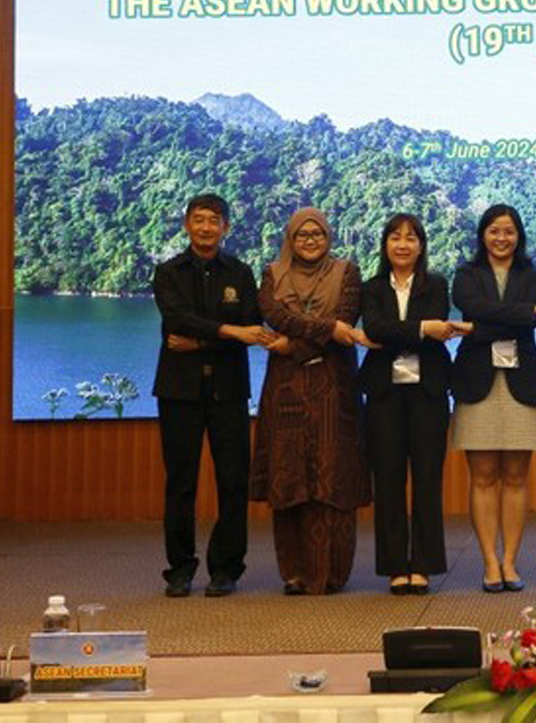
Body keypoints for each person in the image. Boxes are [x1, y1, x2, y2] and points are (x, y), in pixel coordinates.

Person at [151, 193, 273, 598]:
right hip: (178, 391)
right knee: (180, 483)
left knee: (233, 481)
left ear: (226, 227)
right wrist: (230, 333)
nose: (206, 227)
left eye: (214, 220)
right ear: (187, 223)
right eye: (198, 219)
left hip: (229, 391)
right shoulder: (168, 272)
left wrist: (203, 341)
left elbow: (251, 326)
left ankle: (226, 569)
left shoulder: (239, 272)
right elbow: (176, 320)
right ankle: (181, 568)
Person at [251, 207, 374, 595]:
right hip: (285, 389)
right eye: (302, 235)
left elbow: (346, 317)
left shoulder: (347, 272)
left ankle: (332, 573)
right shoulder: (272, 274)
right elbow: (274, 315)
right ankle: (295, 573)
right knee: (289, 477)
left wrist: (296, 345)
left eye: (317, 234)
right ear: (290, 238)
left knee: (331, 477)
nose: (309, 241)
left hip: (334, 387)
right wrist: (326, 330)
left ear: (328, 237)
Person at [360, 213, 463, 595]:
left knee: (426, 479)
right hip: (384, 393)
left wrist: (406, 331)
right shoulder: (370, 288)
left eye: (411, 238)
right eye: (395, 237)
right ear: (385, 245)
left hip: (429, 392)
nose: (403, 244)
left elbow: (402, 329)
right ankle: (393, 566)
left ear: (421, 245)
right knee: (387, 479)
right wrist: (421, 330)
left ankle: (423, 564)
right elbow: (375, 328)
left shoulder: (436, 284)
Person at [451, 204, 536, 593]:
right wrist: (518, 313)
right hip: (478, 382)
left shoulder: (534, 275)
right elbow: (472, 306)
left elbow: (531, 319)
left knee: (515, 476)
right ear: (483, 235)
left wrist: (481, 326)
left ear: (518, 235)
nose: (501, 238)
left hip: (521, 383)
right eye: (494, 231)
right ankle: (489, 562)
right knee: (482, 476)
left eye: (509, 231)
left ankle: (510, 561)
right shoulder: (466, 274)